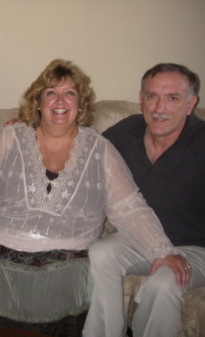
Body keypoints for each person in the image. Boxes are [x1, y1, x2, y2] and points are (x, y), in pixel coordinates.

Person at [0, 59, 182, 336]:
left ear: (81, 104)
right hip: (0, 258)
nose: (60, 100)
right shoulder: (8, 138)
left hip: (68, 265)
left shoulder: (100, 149)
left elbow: (129, 207)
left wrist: (163, 252)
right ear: (38, 102)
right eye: (51, 92)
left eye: (69, 93)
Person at [83, 63, 205, 337]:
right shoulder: (125, 133)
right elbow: (82, 153)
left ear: (190, 104)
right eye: (152, 96)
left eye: (172, 98)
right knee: (101, 252)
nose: (159, 108)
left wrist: (172, 254)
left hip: (197, 248)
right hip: (144, 238)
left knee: (164, 282)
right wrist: (30, 129)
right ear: (141, 99)